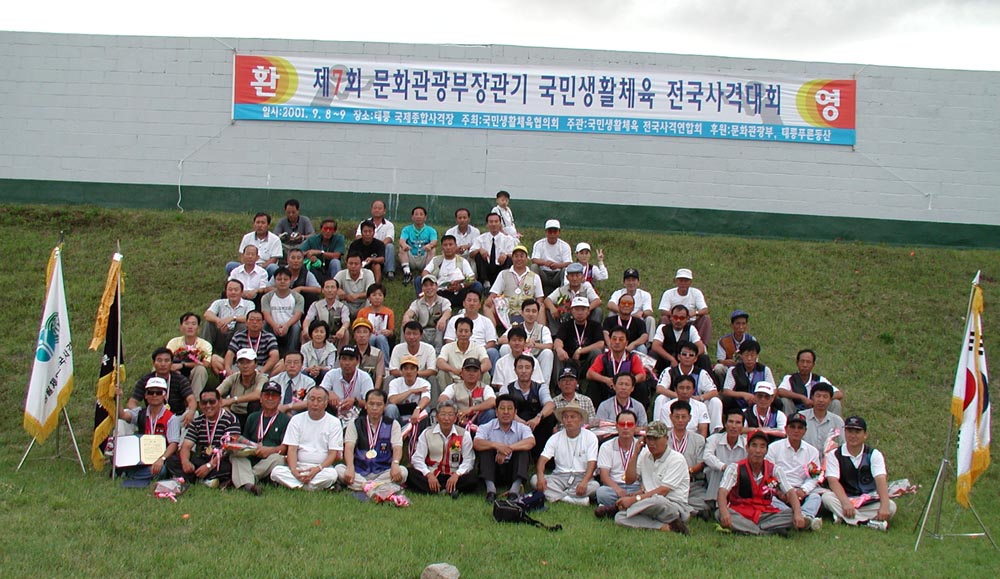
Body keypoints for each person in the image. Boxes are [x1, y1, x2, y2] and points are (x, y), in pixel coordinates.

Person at [716, 430, 803, 535]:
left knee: (794, 512)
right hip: (741, 512)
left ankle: (751, 529)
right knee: (719, 513)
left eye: (762, 447)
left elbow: (790, 492)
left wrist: (798, 513)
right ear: (747, 448)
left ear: (766, 450)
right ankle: (765, 531)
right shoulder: (735, 468)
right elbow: (722, 492)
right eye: (754, 446)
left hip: (765, 513)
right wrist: (724, 512)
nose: (758, 451)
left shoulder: (774, 469)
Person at [612, 421, 691, 533]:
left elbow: (663, 491)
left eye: (656, 438)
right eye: (649, 439)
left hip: (671, 505)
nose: (652, 443)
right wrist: (635, 453)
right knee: (619, 518)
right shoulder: (645, 455)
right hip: (648, 502)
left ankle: (630, 509)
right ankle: (664, 527)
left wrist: (634, 499)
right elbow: (629, 480)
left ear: (666, 439)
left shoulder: (677, 459)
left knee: (658, 500)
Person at [822, 416, 898, 528]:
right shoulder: (834, 454)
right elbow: (833, 481)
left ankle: (844, 517)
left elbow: (880, 479)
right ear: (845, 433)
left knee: (891, 507)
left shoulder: (874, 454)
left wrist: (884, 506)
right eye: (849, 431)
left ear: (865, 435)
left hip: (867, 500)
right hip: (844, 498)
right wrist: (845, 503)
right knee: (827, 498)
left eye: (857, 432)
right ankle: (866, 523)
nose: (853, 436)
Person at [166, 388, 247, 491]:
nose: (208, 405)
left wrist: (209, 466)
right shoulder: (197, 422)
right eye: (204, 402)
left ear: (220, 402)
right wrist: (185, 462)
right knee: (172, 460)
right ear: (200, 405)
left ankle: (196, 479)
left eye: (212, 402)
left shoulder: (231, 420)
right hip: (203, 458)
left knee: (230, 466)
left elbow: (228, 448)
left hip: (220, 460)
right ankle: (208, 480)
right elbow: (186, 446)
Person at [270, 385, 342, 491]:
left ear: (326, 403)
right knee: (276, 471)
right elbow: (292, 449)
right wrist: (294, 470)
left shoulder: (334, 422)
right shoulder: (296, 420)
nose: (315, 403)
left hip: (321, 468)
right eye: (312, 399)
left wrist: (317, 469)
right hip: (299, 466)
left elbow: (333, 454)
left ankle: (296, 485)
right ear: (307, 401)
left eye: (319, 400)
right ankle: (313, 486)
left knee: (332, 475)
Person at [335, 389, 408, 491]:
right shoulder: (355, 423)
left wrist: (395, 464)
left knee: (403, 471)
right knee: (339, 469)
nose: (374, 408)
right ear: (365, 405)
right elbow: (349, 447)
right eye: (371, 404)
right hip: (359, 471)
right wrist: (350, 467)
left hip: (383, 471)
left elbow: (397, 447)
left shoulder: (393, 424)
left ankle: (364, 486)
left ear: (385, 406)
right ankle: (378, 486)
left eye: (379, 405)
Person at [532, 401, 599, 505]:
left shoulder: (590, 437)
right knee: (535, 479)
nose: (568, 420)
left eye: (572, 417)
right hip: (559, 476)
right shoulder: (555, 437)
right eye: (565, 417)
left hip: (582, 476)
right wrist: (540, 476)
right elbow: (542, 459)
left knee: (595, 486)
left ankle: (555, 495)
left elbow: (592, 463)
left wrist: (585, 481)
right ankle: (571, 499)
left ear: (581, 420)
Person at [115, 377, 181, 481]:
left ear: (165, 396)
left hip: (160, 457)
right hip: (141, 457)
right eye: (150, 392)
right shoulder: (140, 412)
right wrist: (118, 398)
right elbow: (123, 415)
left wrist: (162, 459)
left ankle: (129, 475)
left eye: (158, 392)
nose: (154, 395)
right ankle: (133, 474)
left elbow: (173, 444)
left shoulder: (171, 418)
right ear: (146, 395)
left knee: (161, 470)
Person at [408, 400, 477, 496]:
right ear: (437, 417)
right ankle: (448, 490)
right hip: (433, 473)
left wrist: (457, 474)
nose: (446, 418)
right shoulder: (427, 433)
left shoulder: (463, 434)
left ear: (455, 418)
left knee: (473, 477)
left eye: (450, 415)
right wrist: (428, 474)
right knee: (410, 473)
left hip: (454, 473)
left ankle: (440, 490)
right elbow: (417, 458)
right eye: (443, 414)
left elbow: (469, 460)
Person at [766, 412, 823, 529]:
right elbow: (768, 474)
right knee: (769, 499)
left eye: (800, 428)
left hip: (801, 491)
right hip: (781, 492)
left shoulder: (812, 451)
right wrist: (779, 492)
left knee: (816, 497)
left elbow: (814, 477)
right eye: (792, 427)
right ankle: (799, 518)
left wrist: (803, 490)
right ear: (786, 429)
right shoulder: (773, 448)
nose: (796, 431)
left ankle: (804, 516)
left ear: (805, 431)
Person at [475, 394, 536, 502]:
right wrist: (496, 446)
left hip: (513, 470)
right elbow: (476, 443)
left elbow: (531, 442)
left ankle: (514, 491)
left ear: (515, 412)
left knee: (523, 451)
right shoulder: (486, 427)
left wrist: (508, 449)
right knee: (486, 449)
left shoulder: (522, 427)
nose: (506, 412)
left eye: (510, 409)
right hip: (494, 469)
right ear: (496, 412)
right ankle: (491, 491)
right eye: (502, 408)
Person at [232, 381, 289, 492]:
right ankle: (251, 484)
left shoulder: (285, 420)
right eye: (267, 395)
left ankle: (246, 481)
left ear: (280, 399)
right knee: (235, 456)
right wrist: (250, 448)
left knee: (279, 459)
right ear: (261, 398)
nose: (270, 398)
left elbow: (285, 448)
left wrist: (269, 450)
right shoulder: (252, 417)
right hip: (252, 456)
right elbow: (245, 440)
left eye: (274, 395)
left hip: (271, 458)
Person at [654, 340, 722, 432]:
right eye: (684, 354)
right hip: (674, 401)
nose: (687, 357)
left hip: (695, 402)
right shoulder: (669, 371)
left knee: (715, 401)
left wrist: (699, 398)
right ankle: (658, 430)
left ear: (696, 358)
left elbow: (714, 391)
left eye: (691, 355)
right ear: (678, 356)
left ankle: (715, 433)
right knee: (660, 398)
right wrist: (680, 396)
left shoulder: (701, 373)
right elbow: (659, 388)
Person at [498, 354, 556, 453]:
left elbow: (550, 404)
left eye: (527, 367)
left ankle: (543, 453)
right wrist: (518, 420)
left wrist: (538, 417)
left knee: (549, 416)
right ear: (515, 370)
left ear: (532, 371)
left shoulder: (540, 387)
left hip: (535, 424)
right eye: (520, 367)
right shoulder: (506, 388)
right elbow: (501, 407)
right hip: (515, 423)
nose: (524, 371)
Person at [127, 347, 196, 428]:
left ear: (171, 363)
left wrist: (191, 411)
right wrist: (142, 415)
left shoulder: (180, 379)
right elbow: (132, 402)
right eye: (159, 360)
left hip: (176, 417)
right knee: (125, 415)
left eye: (166, 361)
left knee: (194, 414)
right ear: (153, 363)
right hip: (152, 418)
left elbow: (191, 399)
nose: (163, 364)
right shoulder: (145, 380)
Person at [485, 244, 545, 330]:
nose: (519, 259)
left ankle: (540, 333)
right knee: (487, 306)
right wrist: (489, 301)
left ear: (527, 259)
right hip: (507, 310)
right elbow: (494, 293)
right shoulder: (503, 274)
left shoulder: (535, 277)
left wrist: (534, 308)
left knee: (541, 306)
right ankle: (492, 333)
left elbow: (540, 298)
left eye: (522, 256)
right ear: (512, 258)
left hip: (527, 310)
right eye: (516, 256)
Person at [593, 409, 642, 514]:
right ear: (616, 426)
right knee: (601, 492)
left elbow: (647, 477)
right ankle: (631, 507)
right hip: (614, 487)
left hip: (636, 487)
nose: (625, 427)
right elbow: (604, 476)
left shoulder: (642, 447)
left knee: (647, 494)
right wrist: (617, 489)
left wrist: (639, 492)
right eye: (622, 424)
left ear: (635, 427)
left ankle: (614, 508)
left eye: (629, 424)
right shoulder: (606, 446)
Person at [666, 400, 708, 518]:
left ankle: (677, 508)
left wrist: (686, 472)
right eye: (677, 417)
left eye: (683, 417)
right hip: (669, 483)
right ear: (671, 417)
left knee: (705, 502)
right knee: (662, 497)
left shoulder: (699, 440)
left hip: (691, 483)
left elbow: (701, 463)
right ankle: (690, 510)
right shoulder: (663, 438)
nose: (680, 420)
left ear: (689, 418)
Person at [201, 279, 255, 371]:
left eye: (236, 290)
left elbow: (250, 317)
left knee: (242, 325)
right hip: (221, 333)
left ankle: (239, 357)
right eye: (230, 289)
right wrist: (219, 322)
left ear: (241, 292)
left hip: (237, 334)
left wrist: (233, 318)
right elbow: (207, 314)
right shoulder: (219, 303)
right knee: (209, 323)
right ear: (226, 292)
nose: (233, 292)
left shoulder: (249, 304)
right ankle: (205, 355)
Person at [587, 327, 649, 406]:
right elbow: (590, 374)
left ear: (626, 342)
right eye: (614, 339)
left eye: (621, 339)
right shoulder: (603, 357)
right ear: (610, 341)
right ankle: (595, 410)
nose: (617, 342)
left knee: (641, 386)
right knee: (594, 384)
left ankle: (639, 410)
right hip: (608, 388)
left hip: (626, 390)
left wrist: (629, 382)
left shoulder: (632, 357)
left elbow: (642, 375)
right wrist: (605, 380)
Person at [777, 349, 845, 417]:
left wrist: (818, 400)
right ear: (797, 363)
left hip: (817, 411)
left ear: (813, 364)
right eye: (802, 361)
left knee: (836, 403)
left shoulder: (819, 379)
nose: (805, 365)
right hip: (796, 412)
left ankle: (834, 423)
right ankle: (788, 422)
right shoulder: (790, 378)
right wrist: (802, 398)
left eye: (808, 362)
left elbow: (839, 394)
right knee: (785, 400)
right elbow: (780, 391)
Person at [703, 410, 748, 511]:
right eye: (731, 422)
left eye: (738, 423)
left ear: (742, 426)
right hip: (717, 476)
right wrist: (723, 467)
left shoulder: (746, 443)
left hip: (738, 477)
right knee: (716, 470)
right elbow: (707, 456)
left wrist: (733, 471)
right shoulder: (714, 439)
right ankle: (715, 503)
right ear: (725, 423)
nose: (734, 426)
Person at [553, 296, 605, 384]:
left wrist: (580, 351)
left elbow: (600, 344)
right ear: (571, 311)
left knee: (597, 352)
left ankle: (594, 383)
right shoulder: (565, 325)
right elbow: (558, 341)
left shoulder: (595, 326)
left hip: (586, 362)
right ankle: (559, 383)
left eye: (583, 309)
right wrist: (559, 349)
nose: (580, 312)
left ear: (588, 311)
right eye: (576, 309)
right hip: (569, 361)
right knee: (556, 352)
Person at [443, 291, 499, 368]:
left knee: (493, 352)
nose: (472, 303)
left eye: (475, 301)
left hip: (481, 351)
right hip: (459, 351)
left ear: (479, 305)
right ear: (464, 303)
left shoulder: (486, 321)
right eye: (469, 300)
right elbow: (449, 340)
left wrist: (478, 351)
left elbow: (491, 342)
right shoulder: (454, 320)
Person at [658, 268, 712, 348]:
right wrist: (678, 315)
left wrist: (695, 313)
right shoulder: (668, 293)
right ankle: (664, 342)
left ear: (690, 282)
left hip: (691, 321)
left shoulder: (696, 293)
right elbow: (663, 311)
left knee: (706, 318)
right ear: (676, 281)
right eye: (681, 280)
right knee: (664, 318)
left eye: (686, 281)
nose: (683, 283)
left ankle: (701, 345)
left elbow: (705, 309)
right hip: (675, 321)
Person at [423, 234, 481, 308]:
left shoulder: (462, 261)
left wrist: (461, 285)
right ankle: (426, 304)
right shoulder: (436, 260)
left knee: (477, 285)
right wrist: (433, 284)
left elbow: (472, 277)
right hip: (440, 292)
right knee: (419, 280)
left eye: (450, 245)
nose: (448, 247)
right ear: (442, 247)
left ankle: (470, 305)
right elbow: (425, 272)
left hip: (458, 292)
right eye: (445, 245)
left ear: (456, 246)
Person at [320, 345, 374, 423]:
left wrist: (355, 401)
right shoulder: (331, 374)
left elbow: (371, 402)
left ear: (357, 361)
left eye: (351, 359)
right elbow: (319, 392)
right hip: (334, 412)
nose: (347, 363)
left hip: (357, 414)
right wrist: (328, 393)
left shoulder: (365, 377)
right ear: (339, 361)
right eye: (344, 359)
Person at [437, 357, 497, 427]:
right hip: (459, 419)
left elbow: (493, 401)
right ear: (462, 372)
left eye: (475, 371)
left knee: (490, 413)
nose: (471, 373)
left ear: (480, 374)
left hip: (479, 421)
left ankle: (484, 433)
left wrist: (471, 409)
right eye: (468, 370)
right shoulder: (454, 387)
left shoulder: (485, 388)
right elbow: (441, 399)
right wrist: (456, 412)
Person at [217, 347, 268, 428]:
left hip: (252, 414)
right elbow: (216, 393)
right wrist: (224, 405)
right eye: (241, 363)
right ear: (237, 365)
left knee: (255, 404)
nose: (245, 366)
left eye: (248, 362)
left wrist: (232, 400)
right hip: (233, 413)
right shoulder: (233, 377)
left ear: (256, 364)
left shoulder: (262, 378)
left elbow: (258, 394)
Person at [651, 304, 709, 374]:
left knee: (703, 358)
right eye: (675, 317)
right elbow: (655, 346)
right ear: (671, 317)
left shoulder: (691, 329)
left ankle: (707, 379)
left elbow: (701, 348)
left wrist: (689, 358)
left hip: (686, 362)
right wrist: (671, 359)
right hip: (666, 361)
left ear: (687, 319)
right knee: (653, 354)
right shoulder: (663, 328)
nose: (678, 320)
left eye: (682, 318)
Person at [722, 339, 775, 413]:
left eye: (752, 355)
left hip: (760, 402)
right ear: (741, 356)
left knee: (777, 403)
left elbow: (774, 390)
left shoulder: (765, 370)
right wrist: (744, 395)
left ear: (757, 356)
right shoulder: (733, 370)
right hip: (739, 403)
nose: (749, 359)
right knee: (727, 400)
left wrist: (759, 399)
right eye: (746, 355)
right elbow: (726, 391)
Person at [166, 312, 212, 397]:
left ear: (198, 328)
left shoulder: (205, 345)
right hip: (176, 372)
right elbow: (166, 359)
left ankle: (195, 401)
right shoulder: (173, 342)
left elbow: (206, 364)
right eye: (187, 324)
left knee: (201, 370)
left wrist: (183, 365)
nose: (190, 327)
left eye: (193, 324)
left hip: (193, 373)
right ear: (181, 327)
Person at [261, 266, 304, 356]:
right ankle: (266, 352)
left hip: (290, 326)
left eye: (285, 279)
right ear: (274, 281)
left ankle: (291, 353)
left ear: (290, 280)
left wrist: (286, 326)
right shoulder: (267, 297)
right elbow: (266, 314)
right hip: (273, 325)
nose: (282, 281)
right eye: (279, 279)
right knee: (264, 324)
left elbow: (297, 315)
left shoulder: (298, 297)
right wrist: (275, 325)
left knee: (296, 326)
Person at [401, 275, 452, 352]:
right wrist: (406, 318)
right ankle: (404, 350)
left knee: (446, 321)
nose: (429, 288)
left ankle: (439, 352)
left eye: (431, 285)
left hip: (437, 332)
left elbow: (448, 311)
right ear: (422, 288)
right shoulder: (417, 303)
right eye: (426, 285)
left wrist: (443, 319)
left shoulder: (443, 301)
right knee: (406, 323)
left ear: (436, 287)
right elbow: (410, 312)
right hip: (422, 332)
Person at [437, 317, 491, 388]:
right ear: (456, 332)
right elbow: (439, 362)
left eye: (466, 331)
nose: (463, 334)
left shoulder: (478, 348)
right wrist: (454, 370)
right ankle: (445, 395)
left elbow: (487, 364)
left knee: (486, 374)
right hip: (453, 383)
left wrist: (470, 372)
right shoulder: (447, 347)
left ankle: (482, 394)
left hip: (473, 383)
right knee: (441, 373)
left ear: (471, 333)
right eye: (460, 331)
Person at [545, 262, 601, 329]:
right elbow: (547, 300)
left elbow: (597, 300)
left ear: (582, 277)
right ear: (567, 277)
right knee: (549, 310)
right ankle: (555, 333)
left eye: (577, 275)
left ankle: (594, 330)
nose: (574, 278)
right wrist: (552, 308)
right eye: (572, 276)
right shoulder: (561, 290)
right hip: (566, 320)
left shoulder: (586, 288)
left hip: (584, 318)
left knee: (597, 310)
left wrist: (587, 310)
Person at [224, 310, 279, 376]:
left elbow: (275, 356)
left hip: (261, 367)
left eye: (258, 320)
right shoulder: (238, 336)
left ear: (263, 323)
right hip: (241, 367)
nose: (255, 322)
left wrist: (262, 371)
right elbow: (230, 354)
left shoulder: (269, 337)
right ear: (246, 323)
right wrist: (228, 369)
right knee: (215, 359)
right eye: (252, 319)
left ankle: (266, 379)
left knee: (282, 364)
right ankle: (232, 377)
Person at [227, 212, 282, 277]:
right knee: (230, 265)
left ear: (268, 225)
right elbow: (242, 255)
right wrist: (248, 267)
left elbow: (274, 259)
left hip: (265, 268)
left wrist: (259, 269)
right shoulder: (247, 237)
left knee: (273, 268)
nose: (260, 225)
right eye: (257, 222)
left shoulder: (275, 239)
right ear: (254, 224)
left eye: (263, 223)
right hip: (248, 266)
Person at [491, 327, 546, 391]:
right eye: (514, 340)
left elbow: (537, 383)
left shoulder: (533, 361)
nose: (517, 343)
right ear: (508, 342)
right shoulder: (500, 363)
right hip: (508, 395)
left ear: (525, 342)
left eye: (520, 340)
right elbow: (500, 386)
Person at [607, 268, 656, 340]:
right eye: (628, 280)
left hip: (637, 321)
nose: (631, 283)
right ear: (624, 283)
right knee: (611, 314)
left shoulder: (645, 294)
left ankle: (649, 343)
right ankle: (611, 339)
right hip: (621, 319)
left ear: (638, 282)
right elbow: (610, 304)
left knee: (650, 319)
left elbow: (649, 310)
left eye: (633, 280)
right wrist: (624, 312)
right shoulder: (618, 293)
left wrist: (642, 313)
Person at [301, 278, 350, 348]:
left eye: (332, 287)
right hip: (319, 335)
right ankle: (305, 353)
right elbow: (308, 319)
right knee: (303, 333)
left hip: (335, 336)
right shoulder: (315, 305)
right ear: (323, 290)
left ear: (337, 290)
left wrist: (342, 329)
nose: (330, 290)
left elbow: (346, 321)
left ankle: (341, 354)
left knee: (346, 332)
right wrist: (306, 329)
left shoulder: (342, 307)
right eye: (327, 287)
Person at [354, 199, 396, 281]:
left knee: (390, 246)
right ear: (371, 210)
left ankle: (390, 271)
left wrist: (377, 246)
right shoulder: (364, 223)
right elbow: (358, 236)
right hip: (366, 249)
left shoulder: (389, 225)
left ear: (384, 211)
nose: (377, 210)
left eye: (379, 208)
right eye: (375, 208)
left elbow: (389, 238)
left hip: (381, 250)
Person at [385, 355, 432, 425]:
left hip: (416, 413)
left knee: (426, 409)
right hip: (399, 414)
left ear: (417, 371)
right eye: (406, 368)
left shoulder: (424, 383)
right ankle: (391, 430)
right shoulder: (394, 382)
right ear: (401, 371)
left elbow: (426, 399)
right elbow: (392, 400)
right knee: (390, 408)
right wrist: (411, 391)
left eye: (412, 368)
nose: (409, 372)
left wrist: (418, 409)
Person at [471, 212, 514, 288]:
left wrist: (506, 255)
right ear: (487, 224)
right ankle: (485, 282)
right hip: (485, 268)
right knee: (478, 255)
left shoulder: (508, 239)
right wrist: (479, 250)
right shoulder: (480, 238)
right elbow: (471, 254)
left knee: (508, 258)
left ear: (500, 224)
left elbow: (514, 255)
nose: (493, 224)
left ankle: (502, 283)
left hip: (500, 267)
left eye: (496, 222)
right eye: (491, 222)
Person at [531, 219, 572, 297]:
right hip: (543, 274)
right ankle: (534, 294)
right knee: (534, 267)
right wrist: (545, 263)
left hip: (557, 274)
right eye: (550, 231)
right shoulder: (539, 244)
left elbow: (569, 263)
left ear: (559, 232)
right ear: (546, 232)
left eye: (555, 231)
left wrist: (557, 265)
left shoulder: (564, 246)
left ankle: (564, 295)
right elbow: (534, 259)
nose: (552, 234)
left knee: (566, 270)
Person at [398, 205, 437, 287]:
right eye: (416, 214)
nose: (418, 216)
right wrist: (404, 245)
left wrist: (430, 245)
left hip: (423, 257)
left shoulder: (431, 230)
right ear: (412, 217)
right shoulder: (407, 229)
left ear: (425, 217)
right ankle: (407, 273)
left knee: (432, 249)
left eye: (421, 214)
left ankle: (427, 272)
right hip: (411, 256)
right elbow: (402, 240)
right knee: (401, 248)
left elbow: (434, 241)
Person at [355, 284, 394, 364]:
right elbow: (357, 328)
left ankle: (385, 365)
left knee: (380, 338)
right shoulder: (362, 312)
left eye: (380, 295)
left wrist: (388, 332)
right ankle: (366, 363)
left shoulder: (389, 312)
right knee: (371, 338)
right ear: (369, 298)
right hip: (367, 335)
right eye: (374, 295)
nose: (377, 298)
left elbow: (391, 331)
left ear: (383, 297)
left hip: (383, 337)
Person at [800, 382, 846, 451]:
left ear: (830, 399)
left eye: (825, 397)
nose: (821, 400)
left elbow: (843, 444)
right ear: (812, 398)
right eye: (818, 396)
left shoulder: (837, 421)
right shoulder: (801, 417)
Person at [714, 309, 755, 383]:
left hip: (746, 368)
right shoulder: (723, 341)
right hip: (729, 368)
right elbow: (720, 360)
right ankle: (723, 386)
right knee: (718, 368)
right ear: (732, 325)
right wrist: (728, 362)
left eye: (743, 323)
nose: (741, 326)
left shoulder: (751, 340)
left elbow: (755, 359)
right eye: (738, 323)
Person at [333, 253, 375, 319]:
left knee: (372, 298)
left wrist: (357, 295)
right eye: (350, 263)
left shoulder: (368, 273)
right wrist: (338, 290)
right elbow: (331, 286)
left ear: (361, 265)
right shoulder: (341, 274)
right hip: (347, 304)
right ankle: (337, 319)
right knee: (334, 295)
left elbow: (372, 291)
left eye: (356, 264)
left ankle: (368, 319)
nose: (353, 266)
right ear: (346, 264)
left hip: (363, 304)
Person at [351, 317, 385, 391]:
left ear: (370, 335)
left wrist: (374, 392)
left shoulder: (378, 353)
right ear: (354, 335)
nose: (362, 335)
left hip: (370, 389)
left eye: (365, 332)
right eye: (358, 332)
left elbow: (379, 376)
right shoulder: (349, 352)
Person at [444, 207, 480, 273]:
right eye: (460, 218)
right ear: (456, 220)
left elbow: (477, 247)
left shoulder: (475, 231)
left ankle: (472, 277)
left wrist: (468, 246)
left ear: (469, 219)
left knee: (476, 256)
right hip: (455, 256)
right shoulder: (450, 232)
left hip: (470, 257)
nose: (462, 220)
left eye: (464, 218)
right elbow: (446, 247)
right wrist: (456, 249)